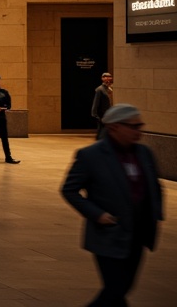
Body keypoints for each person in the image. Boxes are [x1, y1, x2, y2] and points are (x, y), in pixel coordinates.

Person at [61, 104, 165, 307]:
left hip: (138, 233)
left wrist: (156, 214)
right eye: (133, 127)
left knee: (123, 288)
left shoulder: (144, 153)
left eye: (140, 126)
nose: (139, 131)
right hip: (109, 233)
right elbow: (69, 190)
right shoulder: (91, 155)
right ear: (115, 127)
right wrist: (97, 214)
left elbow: (155, 186)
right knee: (115, 290)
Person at [92, 72, 114, 139]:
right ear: (102, 78)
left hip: (111, 113)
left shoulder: (112, 88)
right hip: (103, 113)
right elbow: (96, 102)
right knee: (101, 130)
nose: (107, 78)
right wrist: (94, 113)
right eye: (105, 77)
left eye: (109, 76)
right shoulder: (100, 89)